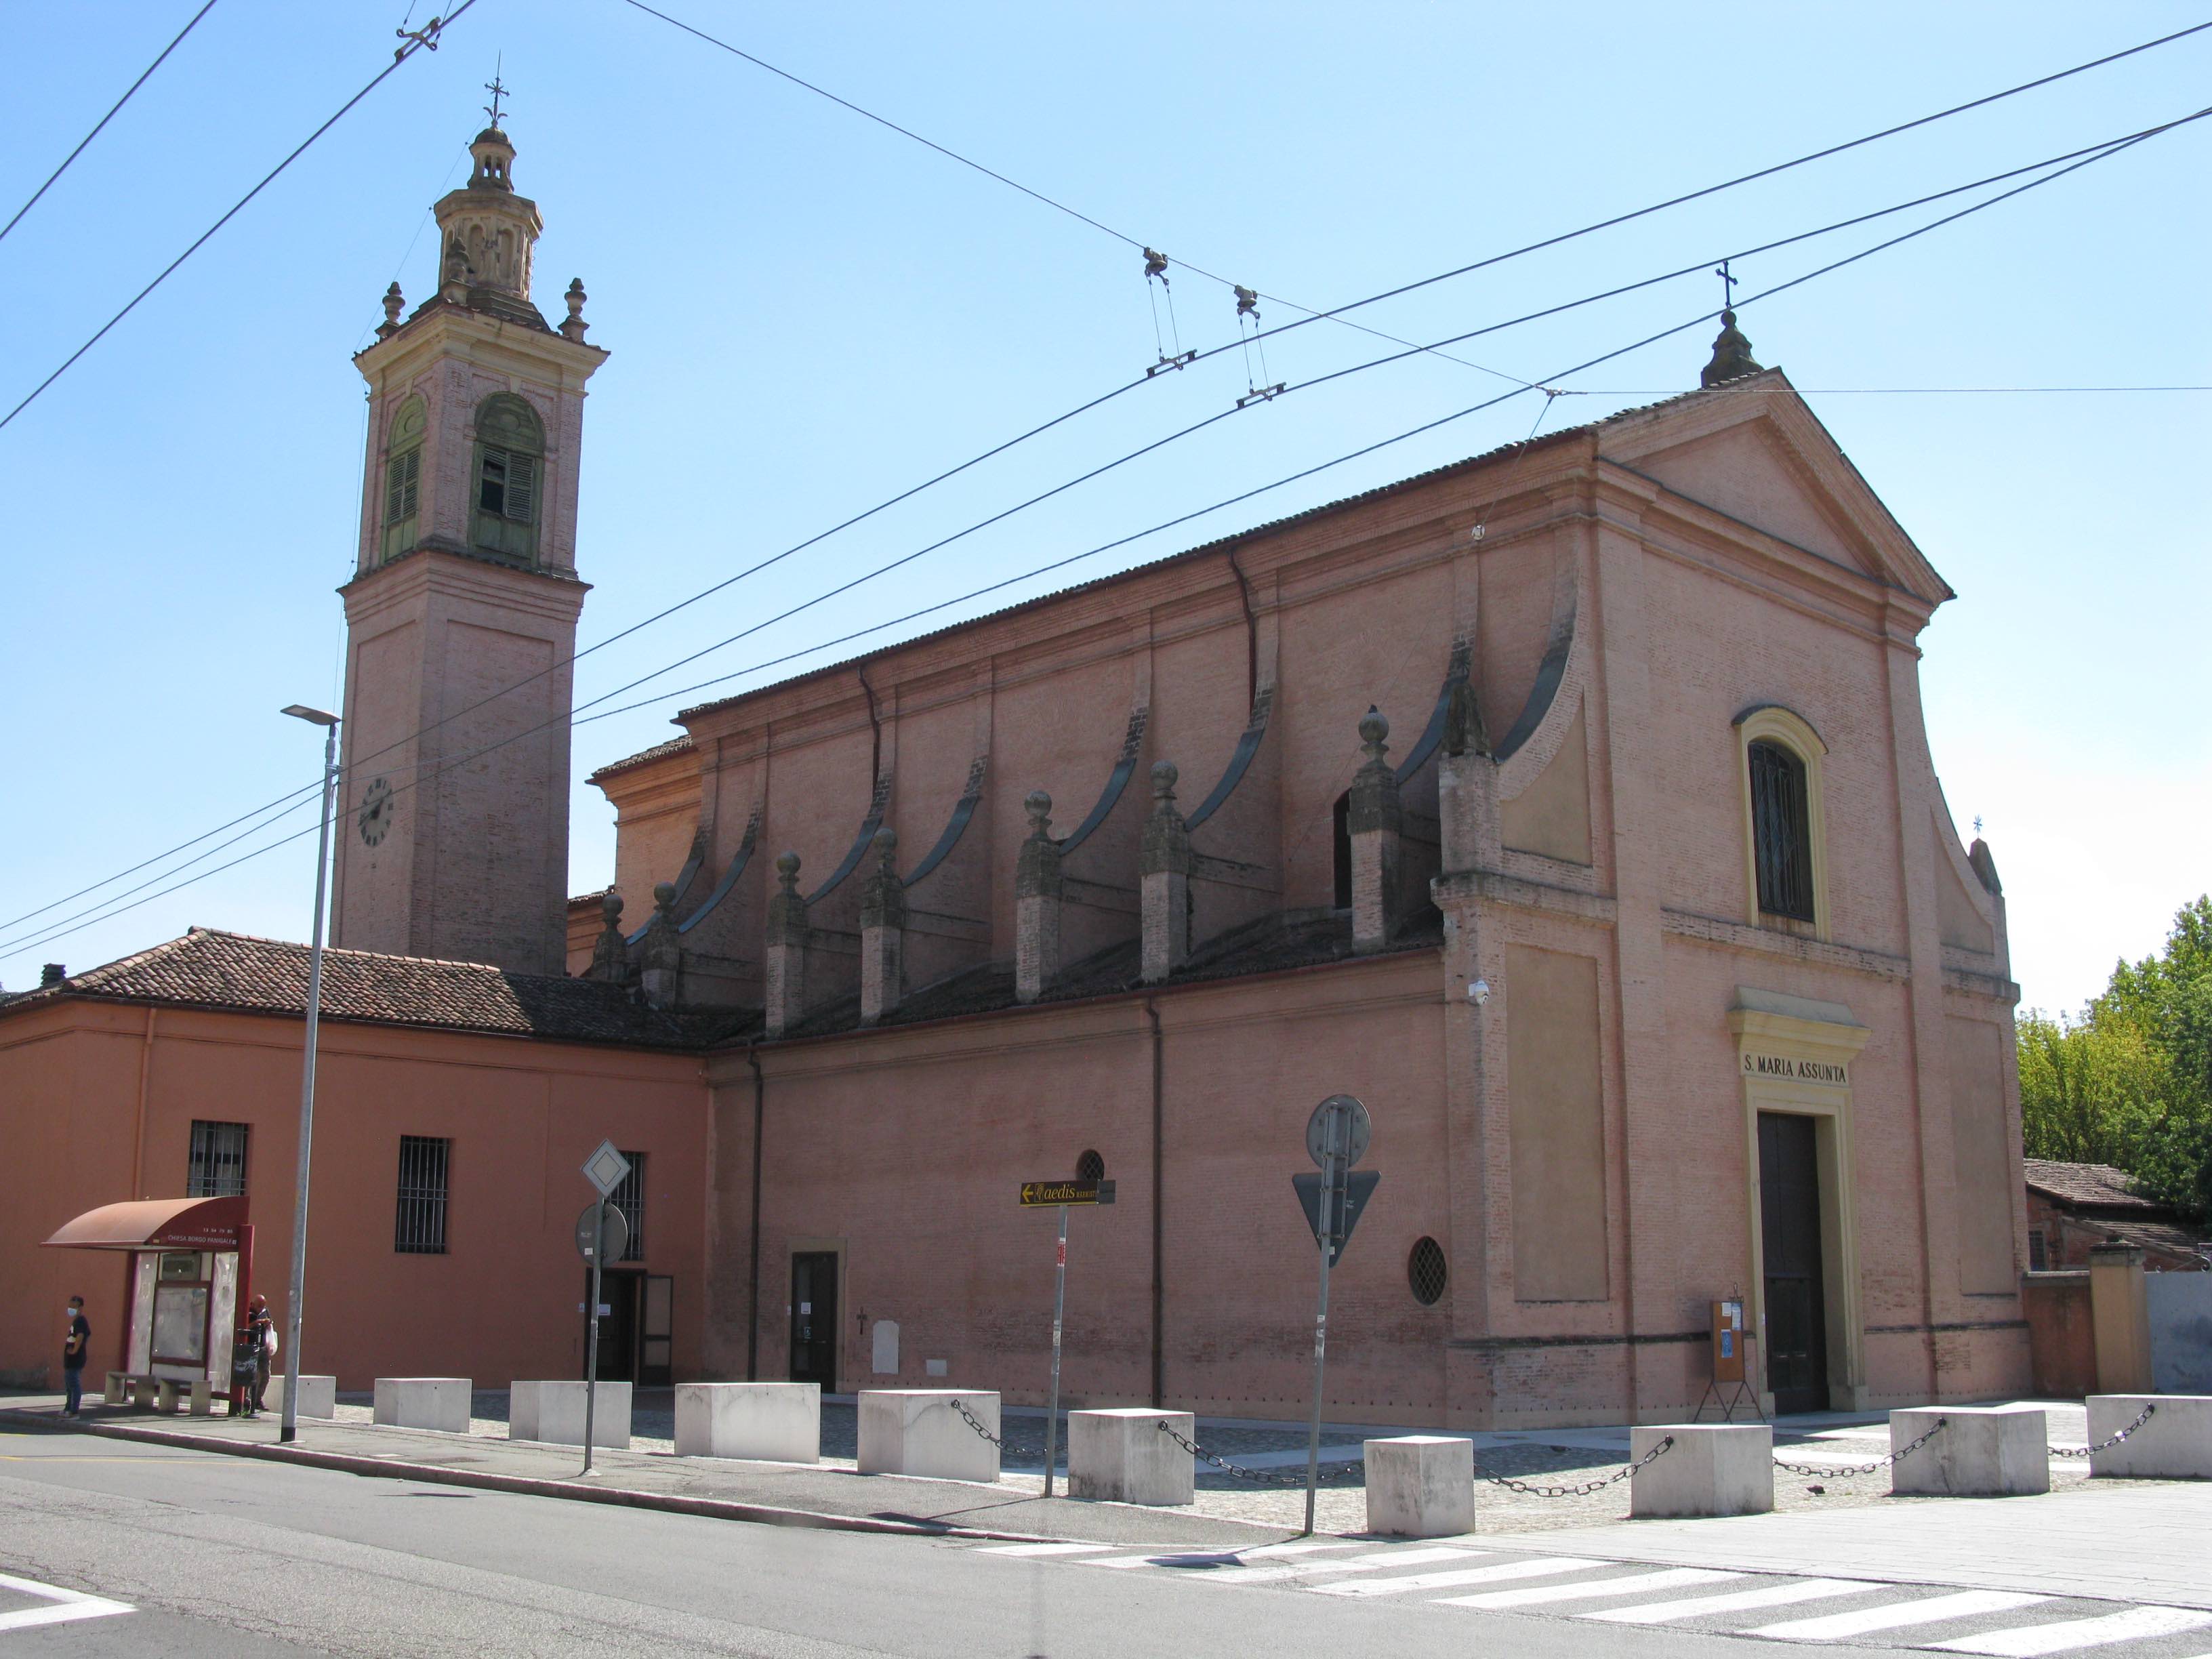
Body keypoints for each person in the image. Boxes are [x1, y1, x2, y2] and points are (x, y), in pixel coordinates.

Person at [245, 1294, 277, 1417]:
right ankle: (246, 1400)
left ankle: (258, 1399)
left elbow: (269, 1325)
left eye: (263, 1306)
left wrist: (268, 1323)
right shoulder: (248, 1312)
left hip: (262, 1347)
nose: (260, 1309)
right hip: (250, 1347)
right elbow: (245, 1327)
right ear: (253, 1304)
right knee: (249, 1374)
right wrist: (258, 1322)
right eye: (259, 1306)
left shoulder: (265, 1312)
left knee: (265, 1374)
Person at [61, 1296, 89, 1416]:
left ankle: (74, 1411)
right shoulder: (76, 1321)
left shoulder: (80, 1321)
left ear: (81, 1308)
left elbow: (80, 1336)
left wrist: (74, 1351)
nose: (71, 1309)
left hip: (76, 1359)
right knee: (69, 1385)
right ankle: (68, 1408)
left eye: (74, 1307)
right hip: (70, 1360)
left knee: (74, 1384)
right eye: (70, 1306)